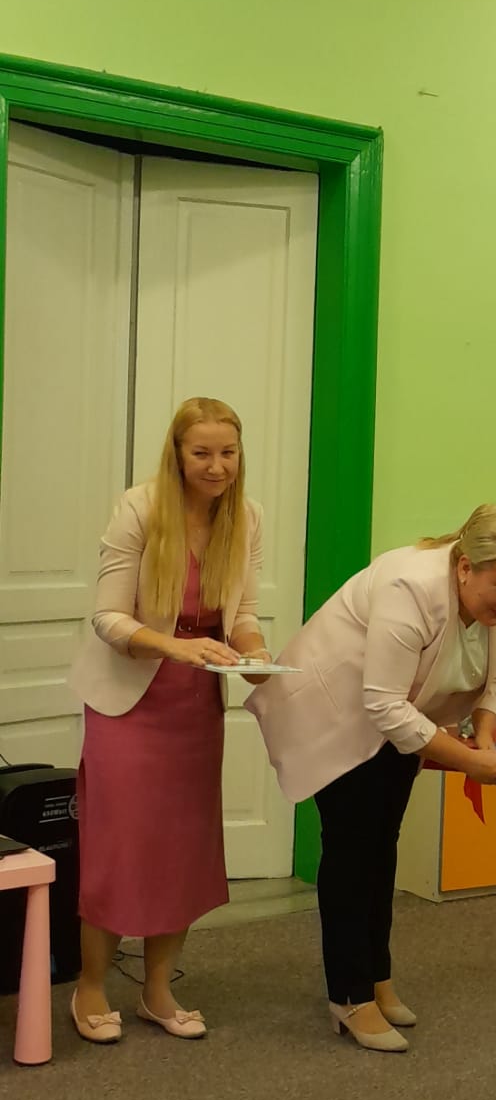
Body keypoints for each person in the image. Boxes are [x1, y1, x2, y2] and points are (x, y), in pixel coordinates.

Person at [247, 504, 496, 1053]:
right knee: (350, 852)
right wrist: (467, 761)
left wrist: (484, 732)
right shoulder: (410, 586)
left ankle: (376, 977)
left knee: (382, 848)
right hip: (336, 715)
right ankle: (349, 995)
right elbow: (381, 703)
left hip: (407, 718)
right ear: (464, 568)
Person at [68, 397, 271, 1044]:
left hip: (194, 704)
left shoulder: (247, 518)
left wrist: (256, 654)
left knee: (182, 849)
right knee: (118, 845)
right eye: (202, 453)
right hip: (129, 699)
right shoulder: (139, 509)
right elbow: (108, 619)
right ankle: (90, 986)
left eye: (228, 453)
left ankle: (157, 991)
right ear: (177, 454)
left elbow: (242, 614)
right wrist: (175, 647)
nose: (217, 467)